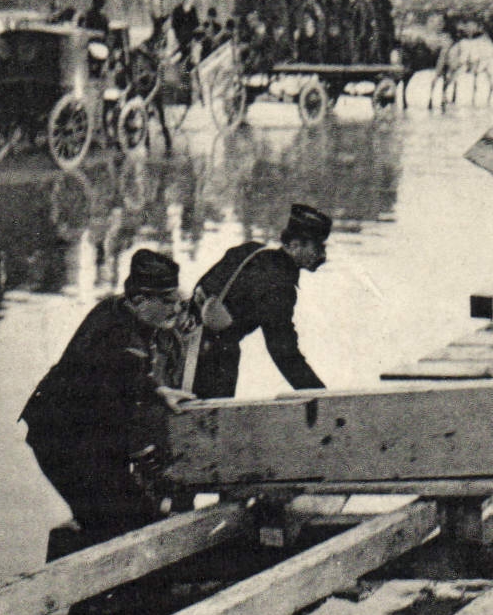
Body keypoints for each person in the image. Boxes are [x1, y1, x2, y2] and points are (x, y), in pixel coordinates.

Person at [20, 250, 190, 557]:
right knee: (117, 521)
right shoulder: (122, 340)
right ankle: (89, 598)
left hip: (79, 430)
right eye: (166, 301)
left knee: (126, 515)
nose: (176, 308)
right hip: (61, 439)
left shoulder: (117, 308)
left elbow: (127, 379)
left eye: (176, 298)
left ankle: (99, 589)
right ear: (139, 299)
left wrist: (157, 390)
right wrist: (142, 452)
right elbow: (114, 410)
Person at [190, 203, 332, 399]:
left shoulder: (250, 251)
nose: (322, 255)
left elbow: (202, 289)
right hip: (215, 359)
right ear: (294, 245)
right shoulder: (281, 287)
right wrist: (320, 396)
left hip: (184, 343)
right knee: (214, 422)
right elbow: (283, 353)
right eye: (316, 248)